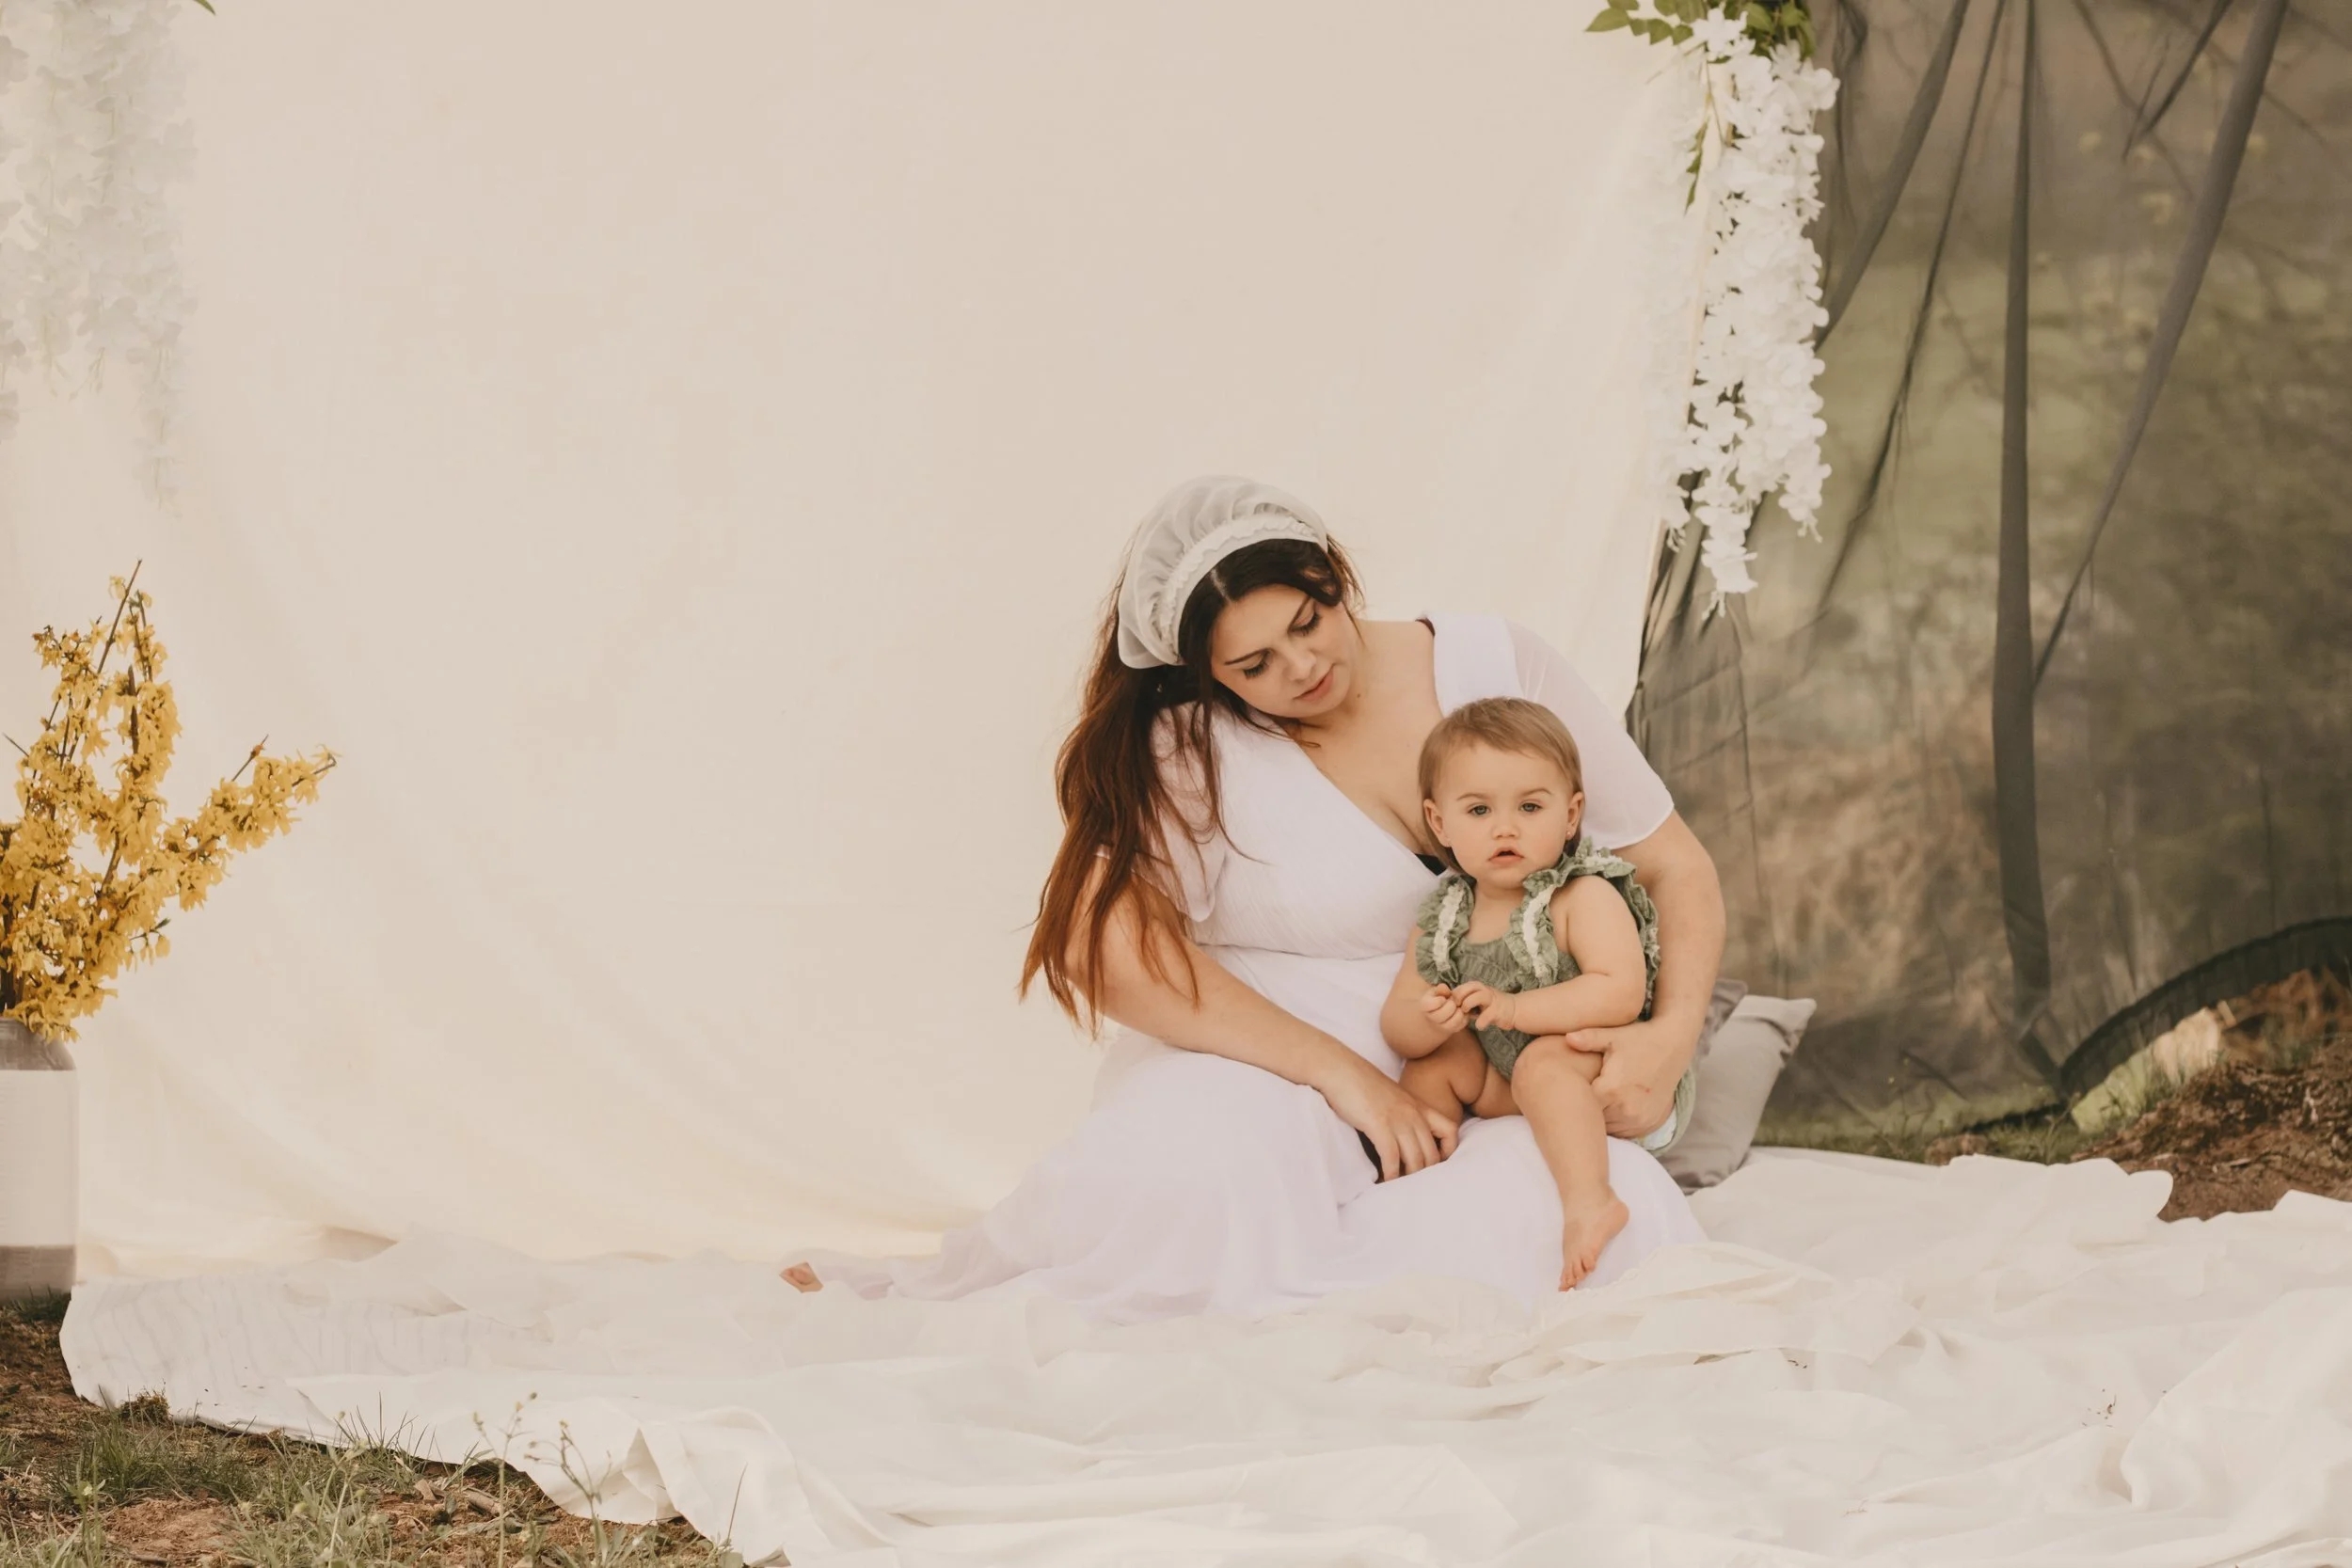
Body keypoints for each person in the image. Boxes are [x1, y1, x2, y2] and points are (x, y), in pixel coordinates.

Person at [785, 476, 1722, 1319]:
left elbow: (1674, 866)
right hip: (1265, 1064)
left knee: (1594, 1233)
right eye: (1253, 666)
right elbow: (1099, 948)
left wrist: (1668, 1035)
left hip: (1479, 1082)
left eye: (1307, 623)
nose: (1299, 670)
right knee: (1199, 1190)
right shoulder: (1193, 747)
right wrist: (1343, 1075)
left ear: (1332, 572)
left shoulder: (1495, 665)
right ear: (1207, 674)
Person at [1383, 697, 1693, 1289]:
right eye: (1478, 810)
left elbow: (1619, 993)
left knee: (1543, 1062)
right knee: (1434, 1063)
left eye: (1530, 807)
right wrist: (1430, 1020)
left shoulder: (1580, 896)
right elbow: (1397, 1021)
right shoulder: (1444, 918)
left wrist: (1514, 1008)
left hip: (1607, 1069)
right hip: (1510, 1079)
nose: (1505, 828)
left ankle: (1591, 1201)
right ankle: (1417, 1189)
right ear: (1439, 823)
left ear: (1571, 815)